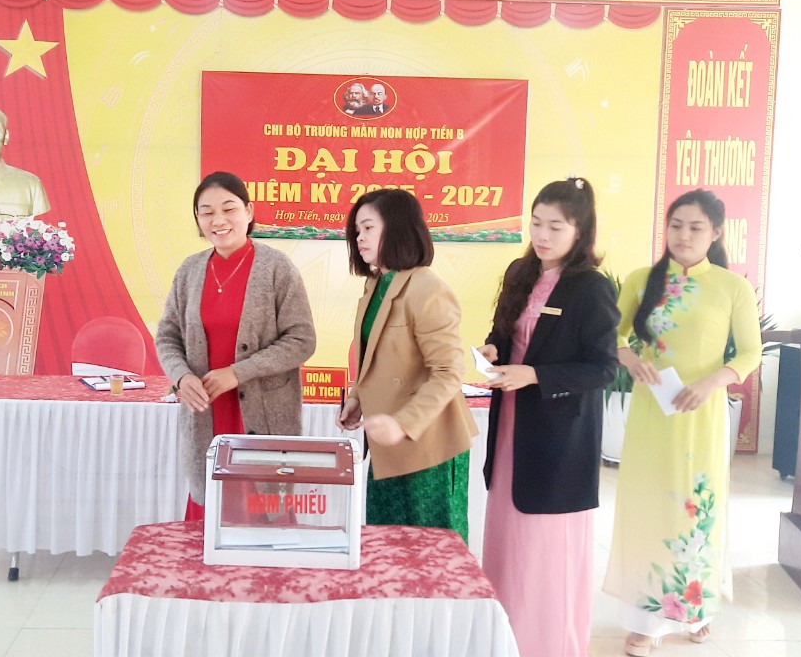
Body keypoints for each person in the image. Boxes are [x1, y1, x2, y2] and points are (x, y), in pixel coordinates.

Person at [602, 189, 761, 657]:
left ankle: (696, 610)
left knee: (696, 508)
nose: (684, 236)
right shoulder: (640, 281)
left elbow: (750, 353)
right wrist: (630, 359)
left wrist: (713, 382)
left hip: (701, 413)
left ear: (715, 233)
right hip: (653, 412)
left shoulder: (732, 288)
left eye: (695, 228)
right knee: (650, 506)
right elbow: (612, 334)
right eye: (676, 226)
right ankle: (646, 621)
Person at [477, 177, 619, 657]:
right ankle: (503, 642)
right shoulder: (520, 272)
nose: (542, 235)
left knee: (544, 552)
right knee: (508, 542)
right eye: (536, 223)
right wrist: (492, 350)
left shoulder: (591, 288)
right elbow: (504, 332)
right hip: (511, 429)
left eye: (555, 227)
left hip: (559, 436)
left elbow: (603, 368)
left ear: (581, 231)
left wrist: (535, 375)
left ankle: (547, 645)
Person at [155, 171, 316, 520]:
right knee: (210, 515)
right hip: (206, 412)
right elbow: (167, 336)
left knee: (266, 517)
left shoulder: (277, 268)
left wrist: (238, 373)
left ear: (249, 211)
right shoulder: (189, 271)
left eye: (229, 209)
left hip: (262, 414)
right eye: (207, 212)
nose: (218, 220)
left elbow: (302, 340)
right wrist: (182, 377)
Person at [337, 188, 477, 541]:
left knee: (431, 548)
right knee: (388, 544)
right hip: (386, 443)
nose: (360, 237)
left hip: (428, 445)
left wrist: (402, 423)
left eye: (369, 228)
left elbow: (448, 372)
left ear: (397, 228)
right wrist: (356, 398)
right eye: (357, 230)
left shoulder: (427, 289)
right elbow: (376, 356)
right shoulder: (375, 284)